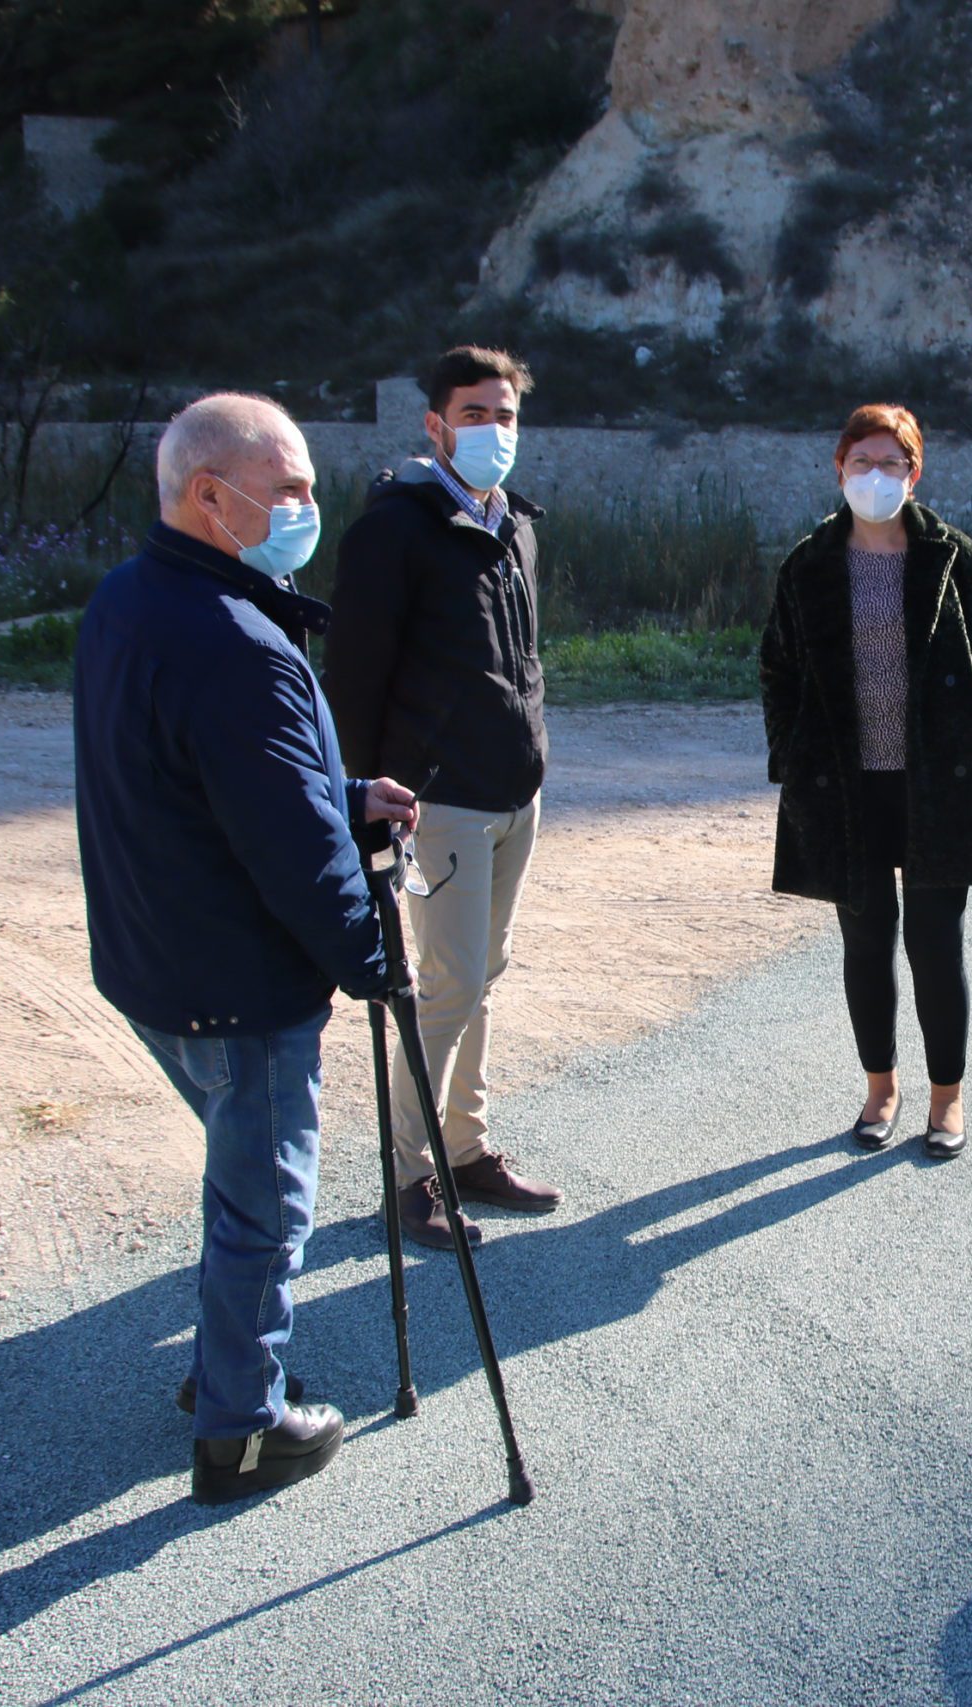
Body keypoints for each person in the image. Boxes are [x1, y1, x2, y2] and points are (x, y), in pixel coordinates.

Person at [73, 392, 419, 1503]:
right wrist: (374, 958)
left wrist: (345, 793)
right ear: (208, 497)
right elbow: (288, 852)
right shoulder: (235, 641)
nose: (308, 508)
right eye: (289, 491)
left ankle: (227, 1368)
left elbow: (210, 781)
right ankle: (241, 1428)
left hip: (155, 962)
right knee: (268, 1208)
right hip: (236, 979)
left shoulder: (133, 600)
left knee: (240, 1185)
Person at [324, 346, 564, 1251]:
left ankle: (467, 1149)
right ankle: (408, 1174)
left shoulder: (515, 524)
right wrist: (360, 798)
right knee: (447, 984)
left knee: (482, 977)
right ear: (434, 424)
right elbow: (352, 678)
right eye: (474, 413)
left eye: (505, 415)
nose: (492, 431)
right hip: (440, 801)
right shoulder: (395, 528)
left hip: (514, 794)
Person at [758, 403, 972, 1159]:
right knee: (865, 942)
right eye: (862, 462)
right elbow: (776, 666)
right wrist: (790, 755)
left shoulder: (955, 559)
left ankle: (948, 1100)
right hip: (845, 787)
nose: (877, 477)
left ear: (915, 471)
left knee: (937, 944)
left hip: (935, 784)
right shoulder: (808, 565)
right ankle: (880, 1089)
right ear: (839, 469)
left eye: (892, 463)